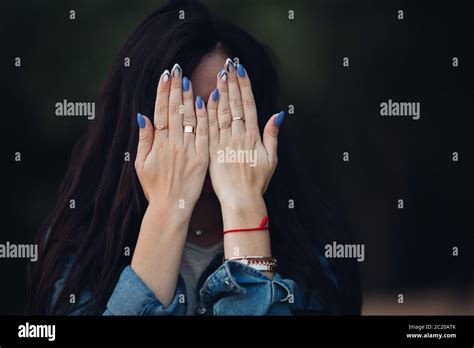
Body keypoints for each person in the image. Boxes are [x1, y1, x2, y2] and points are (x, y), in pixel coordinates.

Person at [26, 0, 361, 316]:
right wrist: (167, 210)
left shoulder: (317, 254)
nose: (203, 136)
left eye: (226, 114)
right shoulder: (76, 252)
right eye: (184, 117)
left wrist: (245, 208)